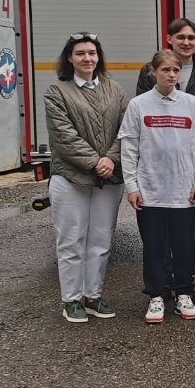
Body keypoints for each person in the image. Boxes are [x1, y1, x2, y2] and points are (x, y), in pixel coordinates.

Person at [120, 50, 195, 323]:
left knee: (184, 246)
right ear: (153, 72)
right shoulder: (138, 105)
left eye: (175, 70)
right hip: (151, 191)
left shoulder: (191, 104)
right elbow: (128, 149)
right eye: (165, 70)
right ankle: (157, 296)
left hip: (184, 191)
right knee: (154, 247)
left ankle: (183, 293)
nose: (172, 75)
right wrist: (132, 186)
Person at [44, 32, 128, 324]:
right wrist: (95, 162)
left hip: (109, 177)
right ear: (70, 58)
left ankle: (93, 295)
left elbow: (125, 130)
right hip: (71, 178)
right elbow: (63, 136)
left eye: (92, 53)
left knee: (101, 240)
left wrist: (111, 159)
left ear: (98, 57)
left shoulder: (115, 90)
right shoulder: (57, 92)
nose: (87, 58)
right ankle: (71, 299)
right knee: (71, 239)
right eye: (80, 53)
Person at [136, 17, 195, 291]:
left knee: (192, 227)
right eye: (181, 37)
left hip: (193, 160)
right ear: (169, 39)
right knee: (159, 232)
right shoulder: (148, 71)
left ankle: (185, 281)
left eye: (191, 38)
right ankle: (162, 283)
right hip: (160, 165)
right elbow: (144, 113)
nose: (186, 42)